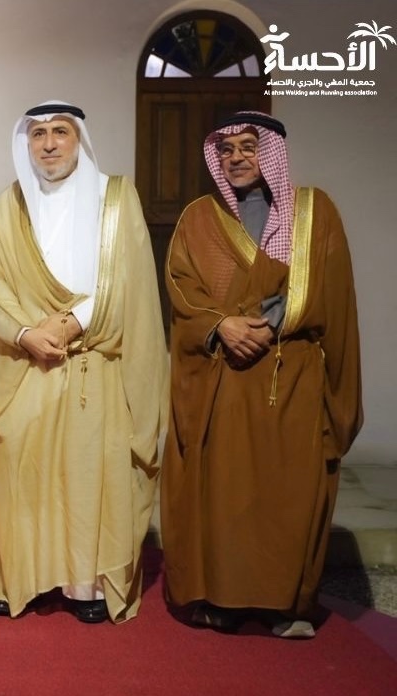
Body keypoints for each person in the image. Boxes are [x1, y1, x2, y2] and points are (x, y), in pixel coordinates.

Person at [161, 112, 362, 638]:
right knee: (228, 494)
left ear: (271, 152)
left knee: (289, 494)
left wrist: (272, 322)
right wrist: (222, 324)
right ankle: (223, 599)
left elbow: (332, 290)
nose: (236, 158)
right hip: (225, 377)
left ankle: (286, 606)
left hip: (292, 377)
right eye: (226, 150)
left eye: (249, 146)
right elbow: (182, 286)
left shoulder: (314, 213)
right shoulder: (199, 218)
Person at [0, 102, 167, 623]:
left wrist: (71, 324)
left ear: (78, 139)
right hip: (30, 363)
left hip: (91, 360)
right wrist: (26, 334)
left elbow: (126, 278)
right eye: (38, 134)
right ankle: (25, 577)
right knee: (26, 475)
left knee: (87, 475)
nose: (49, 144)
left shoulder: (115, 199)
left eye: (60, 132)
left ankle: (85, 586)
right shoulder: (8, 206)